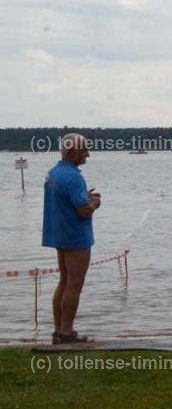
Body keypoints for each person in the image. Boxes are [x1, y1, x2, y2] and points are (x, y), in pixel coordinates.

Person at [42, 134, 101, 345]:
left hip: (59, 234)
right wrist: (94, 202)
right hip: (76, 237)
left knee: (64, 282)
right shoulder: (74, 177)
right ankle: (67, 332)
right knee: (75, 284)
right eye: (85, 149)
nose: (88, 154)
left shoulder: (53, 173)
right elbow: (84, 211)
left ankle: (59, 330)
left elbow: (64, 199)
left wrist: (83, 195)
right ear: (73, 151)